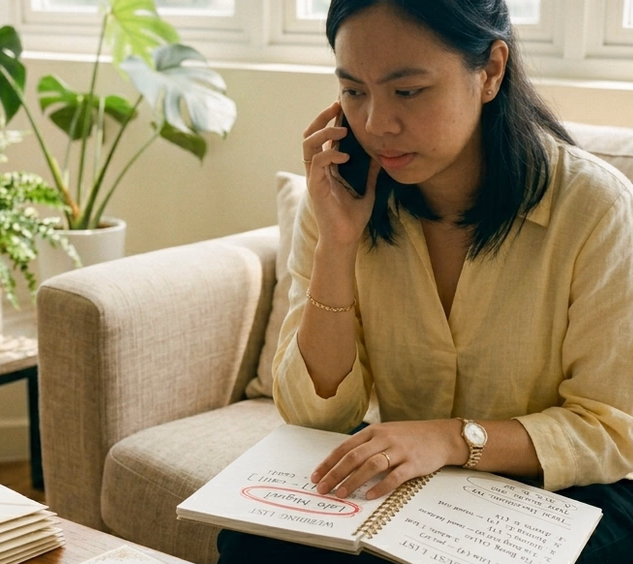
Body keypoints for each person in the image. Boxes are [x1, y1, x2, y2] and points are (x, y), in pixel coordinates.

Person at [217, 0, 633, 562]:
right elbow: (318, 418)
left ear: (490, 72)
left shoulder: (593, 207)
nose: (375, 125)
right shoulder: (341, 195)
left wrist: (451, 439)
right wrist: (338, 244)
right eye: (355, 91)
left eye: (407, 91)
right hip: (425, 480)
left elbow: (609, 431)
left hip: (570, 489)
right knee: (252, 544)